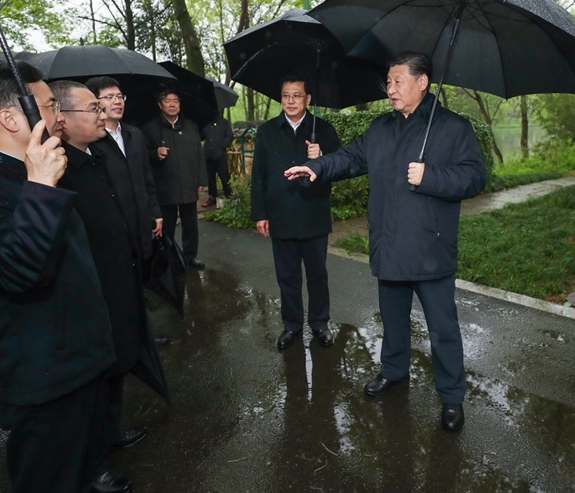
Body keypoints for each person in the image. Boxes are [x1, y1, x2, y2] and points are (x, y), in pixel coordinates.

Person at [0, 61, 116, 493]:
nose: (59, 115)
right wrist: (40, 188)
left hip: (84, 361)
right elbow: (17, 272)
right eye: (49, 105)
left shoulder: (39, 172)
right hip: (44, 381)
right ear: (12, 118)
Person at [285, 52, 486, 432]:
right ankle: (394, 371)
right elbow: (349, 159)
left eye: (398, 81)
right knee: (392, 321)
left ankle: (451, 397)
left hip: (430, 249)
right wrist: (316, 167)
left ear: (422, 82)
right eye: (388, 82)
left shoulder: (453, 127)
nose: (390, 89)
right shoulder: (380, 128)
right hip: (389, 243)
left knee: (442, 329)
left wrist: (431, 176)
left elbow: (475, 178)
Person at [52, 80, 164, 493]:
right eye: (93, 108)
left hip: (119, 274)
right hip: (92, 288)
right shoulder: (58, 171)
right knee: (96, 376)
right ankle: (93, 464)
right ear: (62, 119)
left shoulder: (95, 156)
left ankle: (110, 432)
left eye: (103, 107)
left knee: (118, 363)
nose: (102, 114)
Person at [251, 74, 341, 350]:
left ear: (308, 99)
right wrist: (260, 213)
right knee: (287, 277)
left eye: (297, 95)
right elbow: (259, 175)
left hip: (314, 214)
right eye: (286, 95)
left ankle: (320, 323)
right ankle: (291, 325)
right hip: (281, 214)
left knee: (317, 275)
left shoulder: (323, 130)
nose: (291, 101)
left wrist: (321, 157)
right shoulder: (267, 131)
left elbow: (341, 167)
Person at [86, 76, 169, 354]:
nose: (117, 101)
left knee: (140, 278)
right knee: (118, 283)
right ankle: (123, 337)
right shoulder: (91, 141)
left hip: (141, 221)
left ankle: (144, 333)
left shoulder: (135, 134)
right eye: (109, 97)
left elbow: (147, 178)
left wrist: (155, 212)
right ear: (95, 103)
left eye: (119, 96)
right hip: (113, 228)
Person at [142, 90, 206, 269]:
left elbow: (199, 154)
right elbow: (142, 155)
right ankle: (168, 257)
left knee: (190, 224)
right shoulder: (150, 128)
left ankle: (190, 256)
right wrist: (155, 153)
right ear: (160, 105)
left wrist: (201, 179)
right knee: (167, 225)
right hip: (164, 184)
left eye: (175, 101)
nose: (172, 104)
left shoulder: (191, 126)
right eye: (167, 101)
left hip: (188, 181)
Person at [201, 113, 235, 208]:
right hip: (208, 156)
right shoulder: (205, 123)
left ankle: (229, 196)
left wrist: (221, 146)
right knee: (210, 179)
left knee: (225, 177)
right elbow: (201, 137)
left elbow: (230, 137)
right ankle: (212, 197)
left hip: (220, 156)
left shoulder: (224, 123)